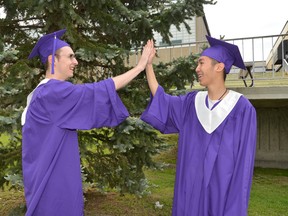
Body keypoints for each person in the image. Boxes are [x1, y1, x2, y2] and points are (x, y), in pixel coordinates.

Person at [21, 29, 153, 216]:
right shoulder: (51, 93)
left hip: (47, 178)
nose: (76, 62)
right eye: (70, 57)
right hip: (54, 184)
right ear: (52, 60)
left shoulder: (41, 93)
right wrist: (139, 67)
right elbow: (95, 92)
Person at [141, 36, 257, 215]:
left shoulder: (242, 109)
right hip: (190, 195)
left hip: (221, 198)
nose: (197, 69)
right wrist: (148, 66)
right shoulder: (192, 103)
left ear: (219, 67)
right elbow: (163, 101)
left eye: (201, 63)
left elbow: (244, 164)